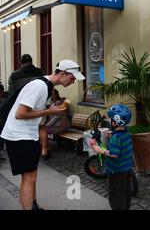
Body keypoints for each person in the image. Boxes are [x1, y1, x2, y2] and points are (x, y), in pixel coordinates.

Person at [0, 60, 85, 210]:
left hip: (27, 135)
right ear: (63, 73)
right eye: (72, 78)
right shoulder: (40, 86)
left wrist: (48, 110)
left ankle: (33, 206)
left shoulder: (47, 84)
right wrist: (50, 111)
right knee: (28, 177)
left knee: (32, 176)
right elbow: (20, 114)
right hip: (19, 136)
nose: (73, 82)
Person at [91, 104, 133, 210]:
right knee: (125, 192)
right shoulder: (126, 132)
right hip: (126, 169)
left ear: (114, 122)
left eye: (111, 120)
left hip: (116, 171)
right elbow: (120, 138)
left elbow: (114, 154)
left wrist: (101, 150)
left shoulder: (116, 138)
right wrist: (113, 133)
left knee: (116, 195)